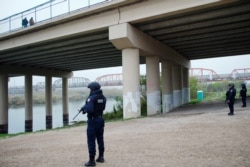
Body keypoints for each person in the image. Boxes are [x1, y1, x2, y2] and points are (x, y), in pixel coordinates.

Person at [80, 82, 106, 166]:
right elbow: (102, 108)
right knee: (100, 139)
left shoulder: (91, 98)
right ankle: (101, 157)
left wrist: (84, 109)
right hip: (100, 119)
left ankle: (92, 160)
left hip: (92, 121)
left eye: (90, 89)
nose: (89, 90)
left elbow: (90, 109)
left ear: (93, 89)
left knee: (91, 140)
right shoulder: (103, 97)